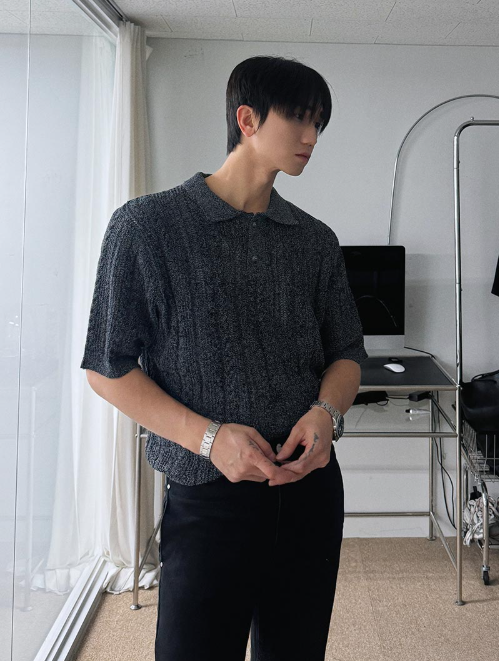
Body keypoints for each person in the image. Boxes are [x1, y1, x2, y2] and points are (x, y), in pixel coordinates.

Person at [80, 54, 368, 661]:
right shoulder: (148, 227)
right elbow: (108, 366)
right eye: (300, 118)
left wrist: (326, 414)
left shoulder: (314, 240)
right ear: (247, 119)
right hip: (206, 495)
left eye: (319, 123)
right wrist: (210, 439)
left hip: (308, 490)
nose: (313, 137)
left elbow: (346, 352)